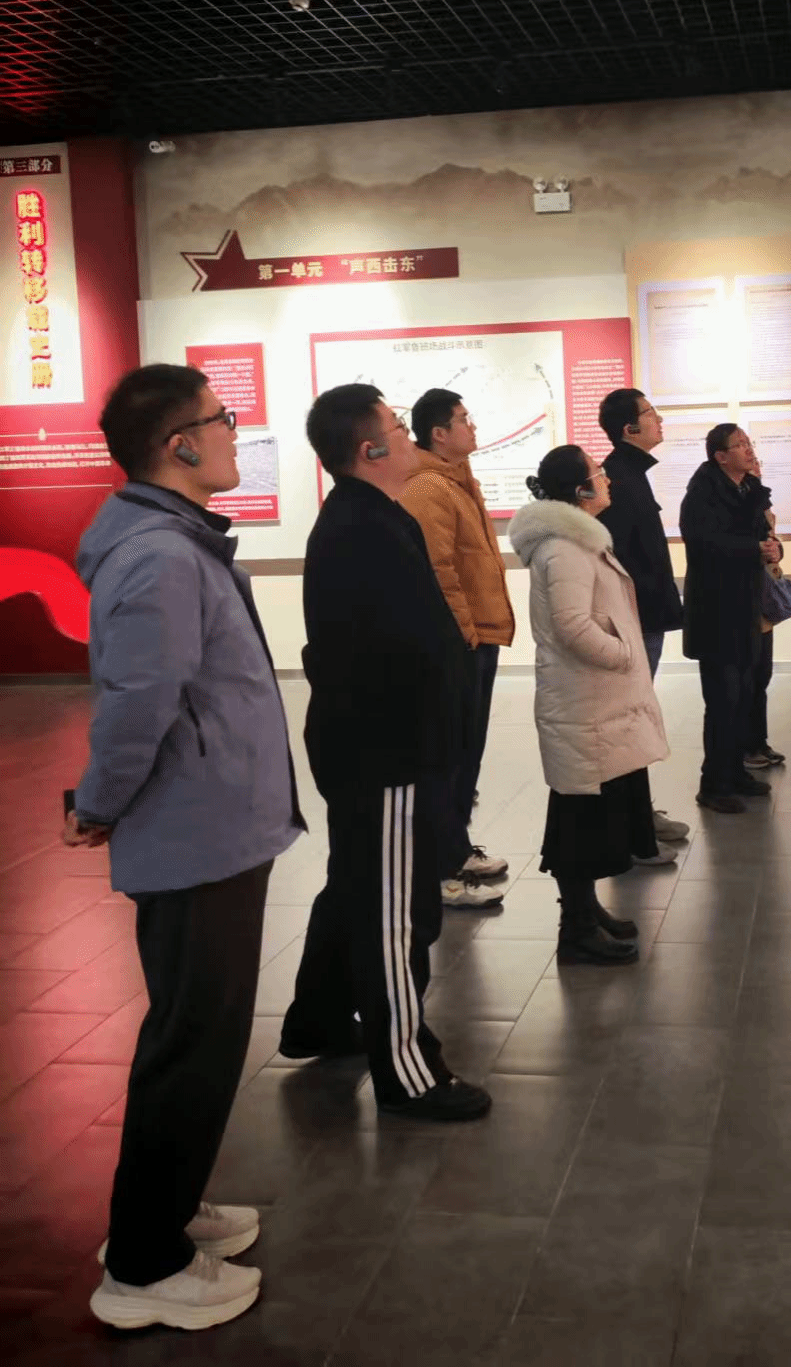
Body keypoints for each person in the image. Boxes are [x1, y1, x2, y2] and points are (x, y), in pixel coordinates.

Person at [70, 364, 305, 1333]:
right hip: (195, 834)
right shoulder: (160, 556)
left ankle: (165, 1209)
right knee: (191, 1044)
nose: (235, 431)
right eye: (223, 419)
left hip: (215, 826)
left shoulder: (173, 540)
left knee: (200, 1034)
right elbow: (138, 703)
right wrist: (98, 801)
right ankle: (142, 1263)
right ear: (180, 445)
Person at [279, 383, 492, 1120]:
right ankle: (408, 1070)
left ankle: (317, 1019)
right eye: (398, 427)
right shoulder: (361, 528)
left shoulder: (373, 517)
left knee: (356, 887)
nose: (409, 436)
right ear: (369, 449)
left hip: (382, 749)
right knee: (397, 914)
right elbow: (394, 655)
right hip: (390, 756)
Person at [508, 445, 670, 965]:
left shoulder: (578, 541)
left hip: (594, 702)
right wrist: (624, 654)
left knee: (589, 815)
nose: (607, 480)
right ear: (579, 490)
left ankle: (586, 912)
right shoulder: (566, 549)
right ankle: (575, 928)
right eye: (598, 474)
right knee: (578, 820)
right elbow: (573, 625)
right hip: (584, 704)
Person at [401, 388, 515, 903]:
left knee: (468, 751)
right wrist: (466, 632)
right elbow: (439, 569)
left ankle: (457, 846)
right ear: (439, 434)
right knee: (452, 755)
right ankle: (443, 864)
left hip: (480, 637)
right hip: (465, 641)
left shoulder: (457, 479)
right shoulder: (429, 486)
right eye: (465, 420)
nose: (473, 427)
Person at [597, 387, 689, 857]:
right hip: (635, 620)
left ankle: (638, 813)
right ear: (629, 428)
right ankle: (628, 824)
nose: (660, 420)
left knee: (638, 717)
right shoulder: (620, 478)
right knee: (629, 720)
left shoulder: (632, 475)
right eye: (651, 414)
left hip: (645, 616)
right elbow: (622, 561)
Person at [680, 424, 781, 813]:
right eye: (739, 445)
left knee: (744, 694)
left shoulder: (749, 489)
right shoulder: (702, 494)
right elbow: (704, 545)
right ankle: (713, 784)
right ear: (720, 457)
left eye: (748, 443)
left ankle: (736, 772)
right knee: (722, 700)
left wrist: (774, 549)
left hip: (747, 608)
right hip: (717, 611)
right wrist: (754, 548)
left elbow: (765, 536)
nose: (748, 449)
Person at [741, 438, 786, 773]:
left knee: (762, 676)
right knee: (749, 678)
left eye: (757, 461)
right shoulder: (738, 503)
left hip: (762, 602)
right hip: (744, 602)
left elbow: (771, 542)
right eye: (750, 459)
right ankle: (747, 746)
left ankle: (759, 742)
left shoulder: (759, 502)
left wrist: (776, 550)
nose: (756, 465)